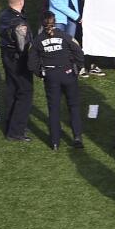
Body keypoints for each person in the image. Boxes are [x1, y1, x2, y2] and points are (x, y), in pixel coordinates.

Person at [28, 12, 85, 150]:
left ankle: (55, 142)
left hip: (51, 76)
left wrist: (41, 74)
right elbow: (78, 51)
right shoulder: (65, 36)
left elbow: (31, 64)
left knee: (54, 109)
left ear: (42, 23)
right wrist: (78, 66)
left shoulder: (37, 41)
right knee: (74, 106)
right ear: (55, 22)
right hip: (68, 73)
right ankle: (77, 138)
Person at [0, 0, 33, 141]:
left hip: (6, 56)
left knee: (12, 89)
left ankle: (10, 124)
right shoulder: (20, 23)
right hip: (18, 61)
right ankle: (16, 130)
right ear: (21, 2)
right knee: (25, 92)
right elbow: (22, 47)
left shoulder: (4, 14)